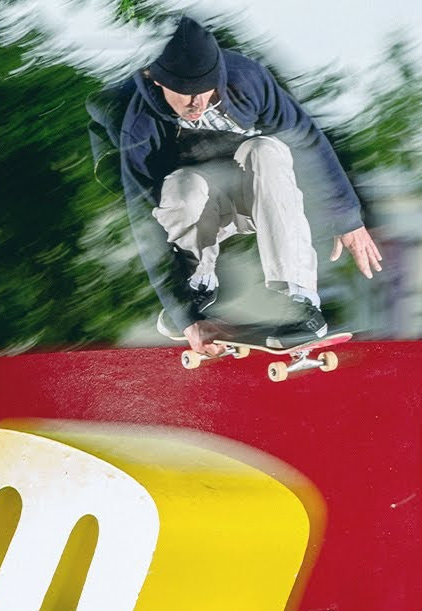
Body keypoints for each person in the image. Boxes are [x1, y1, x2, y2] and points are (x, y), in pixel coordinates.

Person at [87, 16, 383, 356]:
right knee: (184, 186)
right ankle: (198, 279)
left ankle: (302, 301)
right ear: (155, 80)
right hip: (196, 213)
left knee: (267, 150)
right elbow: (144, 223)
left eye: (205, 90)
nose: (196, 103)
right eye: (184, 93)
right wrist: (183, 313)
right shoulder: (137, 128)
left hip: (255, 197)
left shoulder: (248, 79)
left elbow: (308, 139)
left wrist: (346, 217)